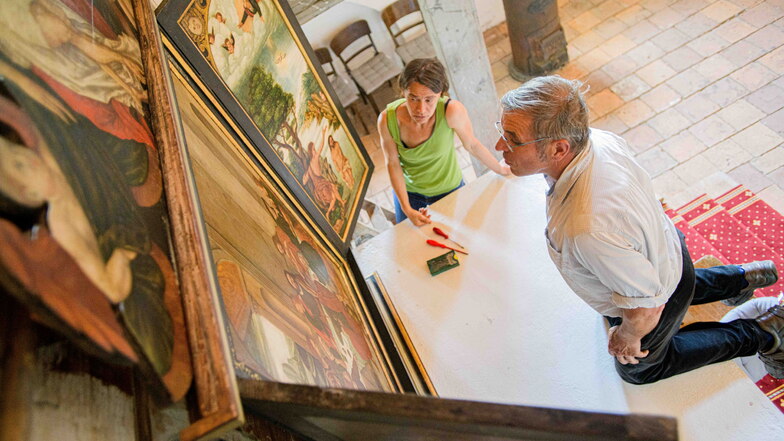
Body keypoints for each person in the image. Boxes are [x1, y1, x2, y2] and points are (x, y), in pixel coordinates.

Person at [496, 75, 784, 384]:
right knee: (680, 284)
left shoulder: (585, 229)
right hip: (669, 249)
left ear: (559, 148)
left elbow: (648, 303)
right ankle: (740, 280)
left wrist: (628, 335)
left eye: (512, 138)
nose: (500, 145)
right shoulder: (597, 139)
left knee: (640, 369)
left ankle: (761, 333)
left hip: (654, 292)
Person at [378, 58, 510, 225]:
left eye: (429, 99)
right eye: (413, 98)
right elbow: (392, 163)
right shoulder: (386, 119)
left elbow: (472, 145)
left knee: (462, 236)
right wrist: (407, 209)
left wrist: (500, 169)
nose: (421, 109)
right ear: (403, 92)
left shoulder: (451, 111)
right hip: (409, 193)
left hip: (450, 189)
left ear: (441, 94)